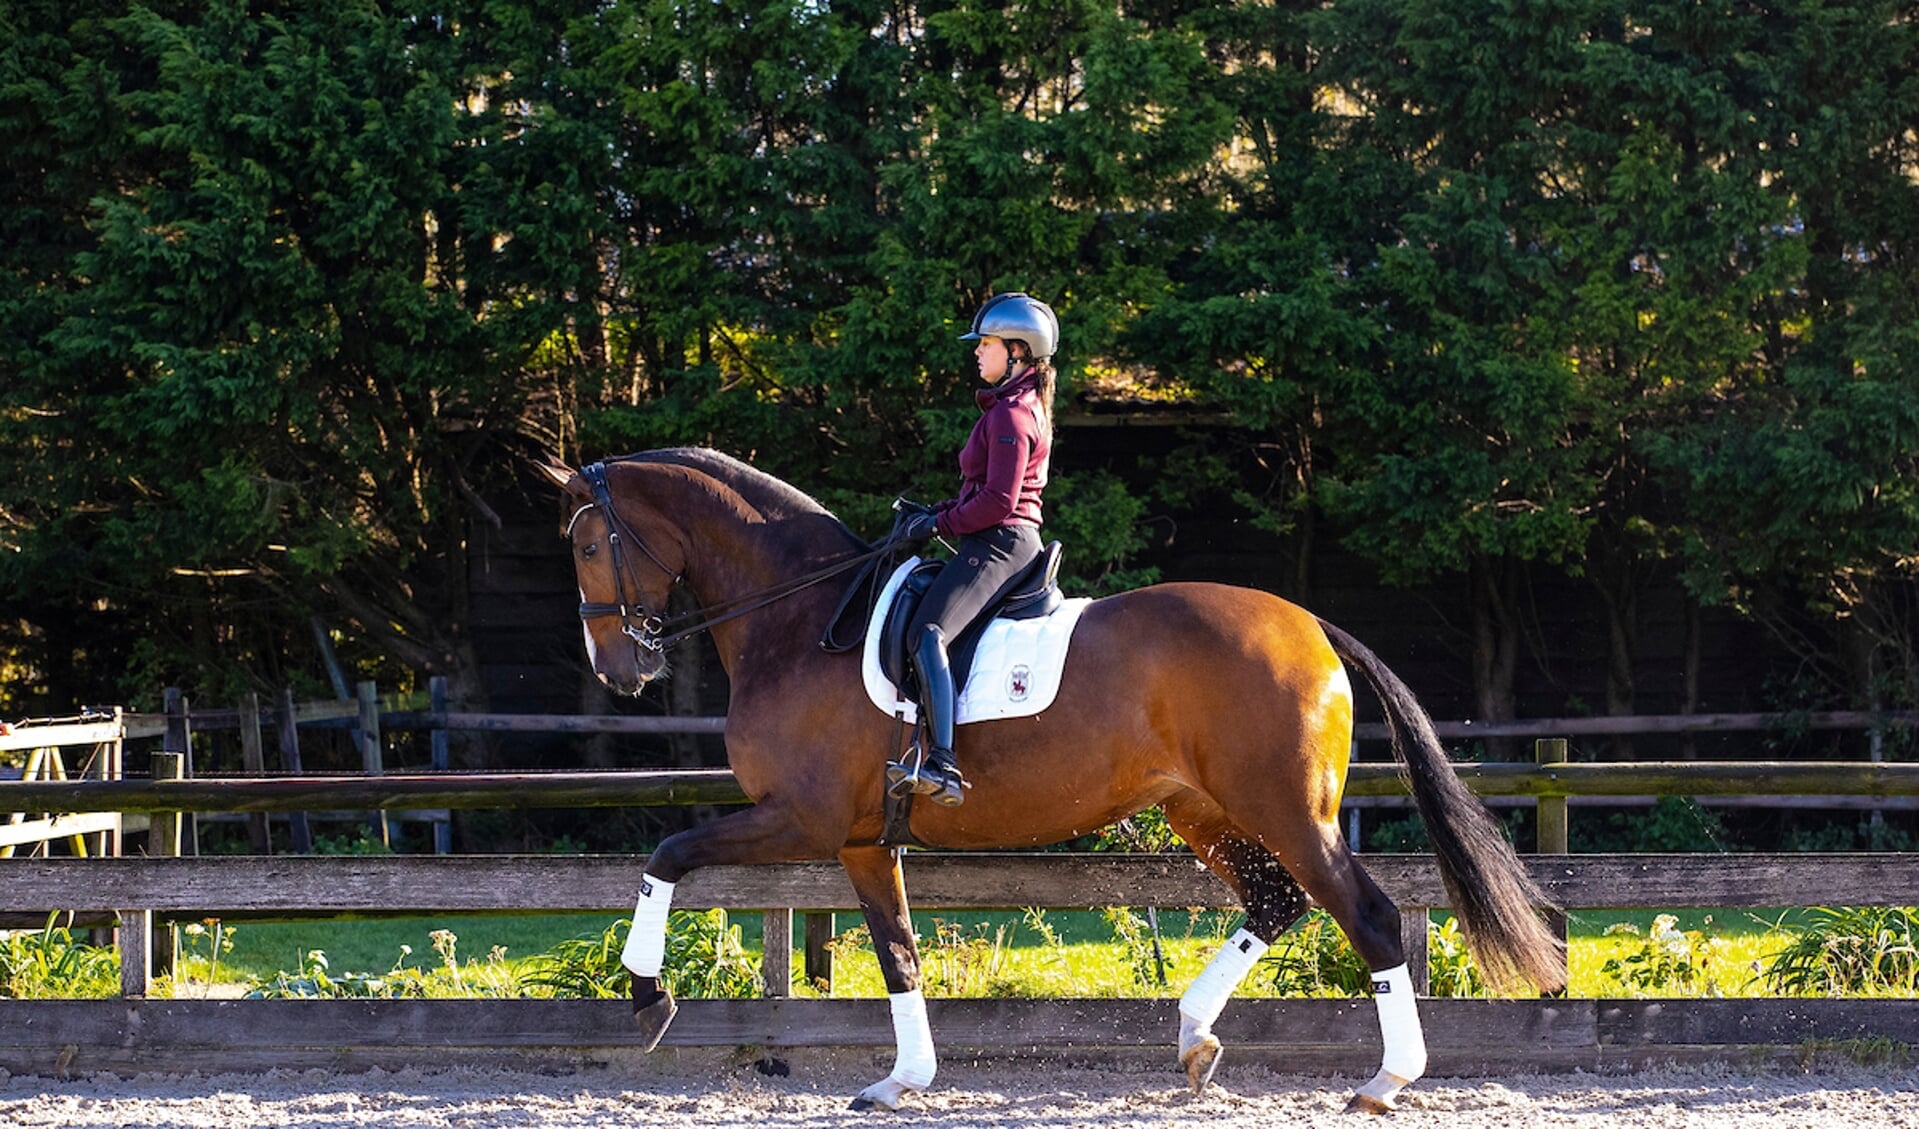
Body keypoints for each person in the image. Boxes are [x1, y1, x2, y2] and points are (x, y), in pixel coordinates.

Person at [888, 292, 1059, 807]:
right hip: (997, 536)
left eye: (984, 344)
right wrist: (932, 512)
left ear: (1017, 351)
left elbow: (999, 501)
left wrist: (939, 522)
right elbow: (978, 492)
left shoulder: (1011, 415)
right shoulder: (1013, 407)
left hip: (1001, 543)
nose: (976, 353)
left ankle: (942, 763)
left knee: (927, 635)